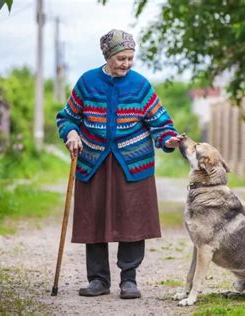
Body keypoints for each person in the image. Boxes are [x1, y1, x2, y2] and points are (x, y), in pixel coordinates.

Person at [56, 29, 183, 299]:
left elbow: (161, 124)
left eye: (130, 58)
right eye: (121, 58)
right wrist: (71, 133)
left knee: (133, 219)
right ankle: (99, 280)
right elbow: (67, 117)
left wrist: (169, 141)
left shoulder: (140, 85)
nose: (126, 64)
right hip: (94, 162)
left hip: (133, 163)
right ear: (108, 56)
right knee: (94, 219)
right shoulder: (87, 82)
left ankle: (129, 280)